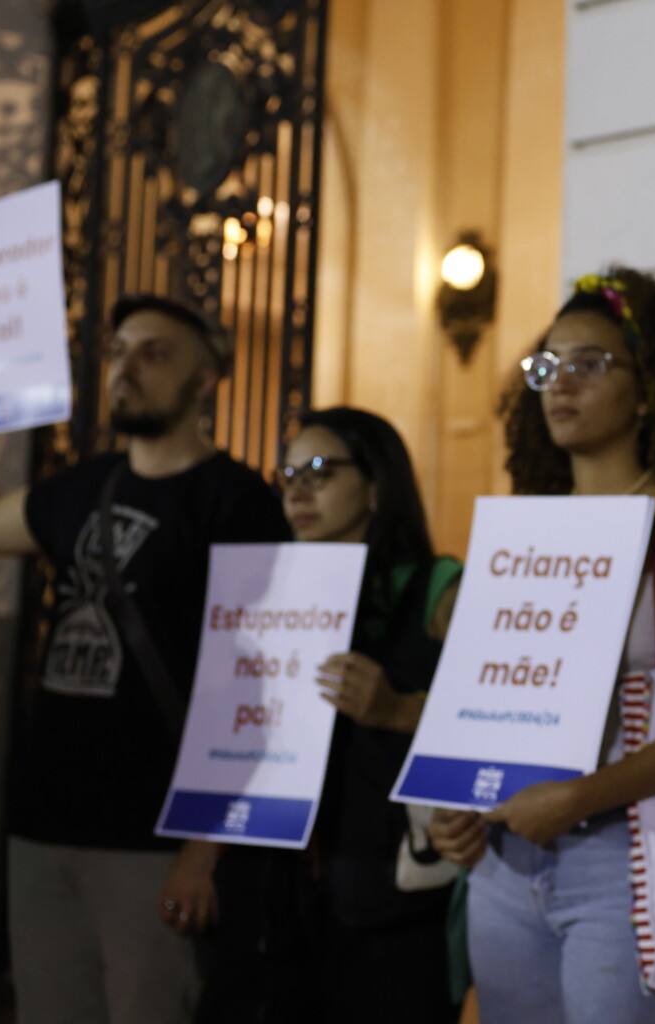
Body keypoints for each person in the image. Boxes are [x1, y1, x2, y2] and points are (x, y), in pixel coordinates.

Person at [0, 294, 290, 1024]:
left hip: (153, 839)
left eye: (154, 353)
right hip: (45, 825)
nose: (127, 368)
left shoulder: (239, 503)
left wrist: (202, 850)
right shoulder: (84, 487)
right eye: (119, 350)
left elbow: (255, 683)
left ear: (205, 376)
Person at [426, 269, 655, 1023]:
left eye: (590, 363)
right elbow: (488, 700)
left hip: (632, 858)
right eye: (547, 365)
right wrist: (460, 801)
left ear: (650, 391)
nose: (560, 383)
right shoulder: (528, 528)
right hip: (505, 862)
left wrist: (581, 796)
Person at [194, 407, 463, 1023]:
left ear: (376, 484)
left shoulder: (436, 587)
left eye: (318, 469)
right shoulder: (263, 594)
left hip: (389, 906)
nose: (297, 488)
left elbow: (497, 709)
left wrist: (398, 711)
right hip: (279, 900)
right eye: (286, 473)